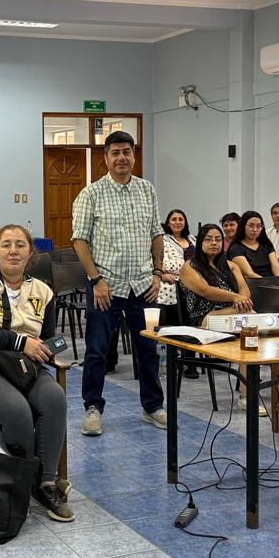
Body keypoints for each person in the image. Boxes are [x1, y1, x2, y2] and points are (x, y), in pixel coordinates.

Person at [0, 224, 73, 521]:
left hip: (23, 367)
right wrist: (21, 342)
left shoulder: (43, 291)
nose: (13, 251)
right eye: (6, 245)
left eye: (20, 245)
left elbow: (47, 337)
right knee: (17, 410)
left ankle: (45, 483)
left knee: (55, 399)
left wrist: (45, 350)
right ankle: (23, 480)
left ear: (31, 252)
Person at [71, 130, 166, 436]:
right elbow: (80, 240)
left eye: (126, 152)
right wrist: (96, 280)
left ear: (134, 155)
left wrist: (157, 273)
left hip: (143, 286)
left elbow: (156, 233)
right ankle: (93, 409)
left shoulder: (147, 190)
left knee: (148, 350)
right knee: (97, 352)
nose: (121, 158)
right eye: (115, 153)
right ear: (106, 158)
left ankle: (152, 407)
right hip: (106, 287)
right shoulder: (91, 194)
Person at [179, 224, 254, 327]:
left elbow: (243, 288)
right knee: (250, 315)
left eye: (218, 240)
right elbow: (205, 291)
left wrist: (243, 301)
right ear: (200, 242)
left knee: (250, 315)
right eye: (208, 239)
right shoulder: (189, 267)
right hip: (204, 316)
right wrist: (235, 297)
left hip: (235, 310)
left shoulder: (232, 266)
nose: (214, 243)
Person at [158, 209, 193, 326]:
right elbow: (161, 263)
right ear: (168, 223)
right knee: (177, 322)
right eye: (174, 219)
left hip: (194, 283)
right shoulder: (163, 240)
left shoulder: (192, 239)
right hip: (175, 286)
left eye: (180, 219)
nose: (177, 222)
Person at [229, 210, 279, 281]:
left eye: (258, 226)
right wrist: (269, 284)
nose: (255, 230)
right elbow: (250, 274)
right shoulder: (236, 248)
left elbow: (277, 269)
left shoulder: (266, 245)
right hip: (253, 283)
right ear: (243, 226)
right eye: (251, 226)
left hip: (273, 282)